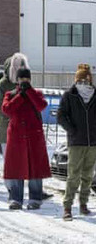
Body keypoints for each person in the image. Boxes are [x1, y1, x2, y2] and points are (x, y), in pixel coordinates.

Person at [2, 68, 51, 210]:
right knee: (16, 168)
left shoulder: (36, 93)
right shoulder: (10, 94)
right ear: (17, 80)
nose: (24, 81)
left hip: (34, 136)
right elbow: (6, 109)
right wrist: (20, 96)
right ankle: (16, 199)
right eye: (22, 79)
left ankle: (35, 198)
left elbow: (42, 106)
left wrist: (29, 92)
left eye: (27, 79)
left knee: (34, 168)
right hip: (17, 136)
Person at [57, 64, 96, 221]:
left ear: (90, 79)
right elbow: (61, 115)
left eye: (85, 79)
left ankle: (83, 204)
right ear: (76, 80)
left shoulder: (95, 95)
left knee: (88, 175)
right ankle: (67, 207)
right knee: (73, 175)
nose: (83, 83)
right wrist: (71, 130)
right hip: (76, 142)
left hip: (92, 143)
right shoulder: (69, 95)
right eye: (80, 80)